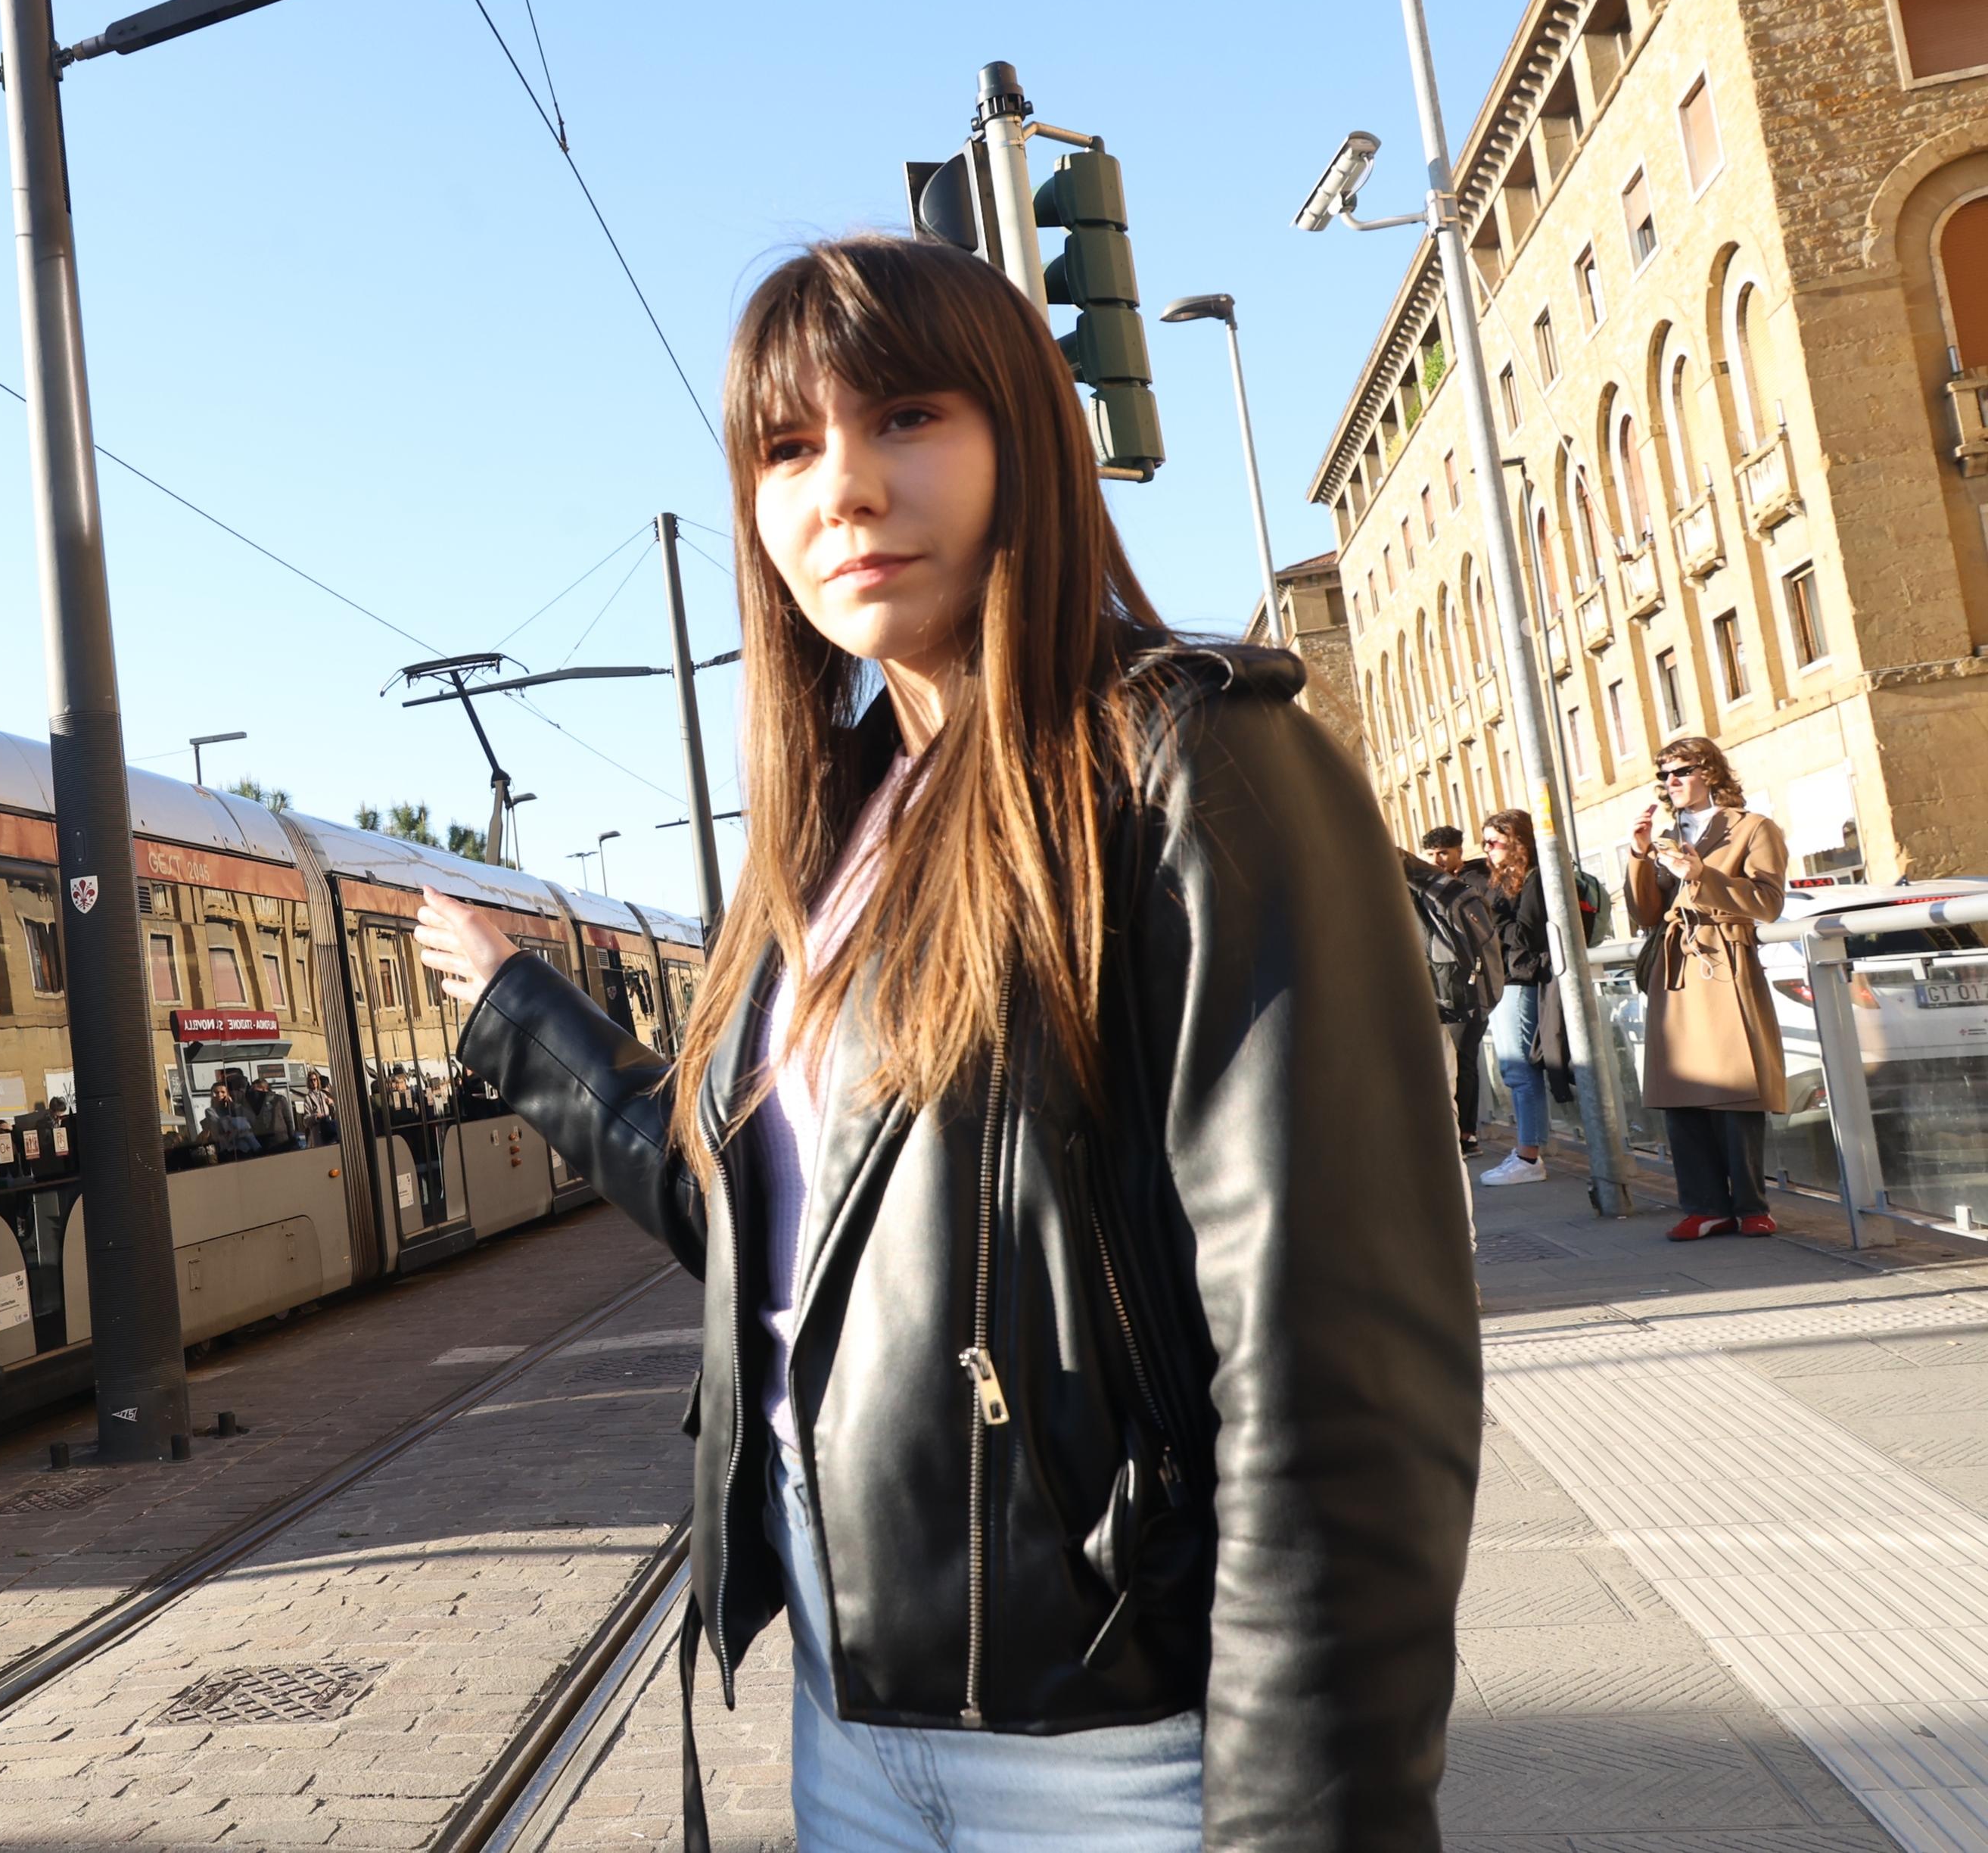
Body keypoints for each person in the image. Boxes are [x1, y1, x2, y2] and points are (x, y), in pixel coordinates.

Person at [413, 237, 1478, 1853]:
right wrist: (524, 1021)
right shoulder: (828, 843)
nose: (840, 489)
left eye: (902, 417)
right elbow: (769, 1238)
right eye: (784, 449)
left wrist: (1307, 1821)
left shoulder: (1188, 775)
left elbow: (1333, 1374)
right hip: (852, 1732)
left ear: (1019, 439)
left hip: (1115, 1754)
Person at [1629, 737, 1788, 1240]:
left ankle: (1750, 1204)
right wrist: (1638, 856)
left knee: (1734, 1088)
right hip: (1675, 967)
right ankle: (1703, 1206)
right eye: (1665, 775)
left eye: (1680, 771)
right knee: (1681, 1089)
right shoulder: (1666, 835)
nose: (1671, 782)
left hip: (1725, 960)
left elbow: (1767, 902)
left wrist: (1701, 876)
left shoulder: (1753, 827)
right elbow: (1646, 916)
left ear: (1709, 771)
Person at [1472, 813, 1556, 1187]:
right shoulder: (1501, 879)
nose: (1488, 850)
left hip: (1521, 980)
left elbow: (1525, 934)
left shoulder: (1534, 879)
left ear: (1517, 841)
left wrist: (1486, 918)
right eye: (1484, 842)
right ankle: (1526, 1152)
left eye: (1494, 842)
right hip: (1505, 979)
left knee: (1520, 1070)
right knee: (1514, 1070)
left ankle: (1529, 1156)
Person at [1420, 827, 1492, 1153]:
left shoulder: (1472, 885)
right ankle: (1455, 1131)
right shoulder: (1423, 887)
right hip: (1437, 985)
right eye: (1431, 854)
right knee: (1446, 1061)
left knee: (1464, 1057)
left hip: (1469, 987)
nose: (1437, 859)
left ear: (1459, 852)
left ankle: (1467, 1133)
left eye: (1444, 852)